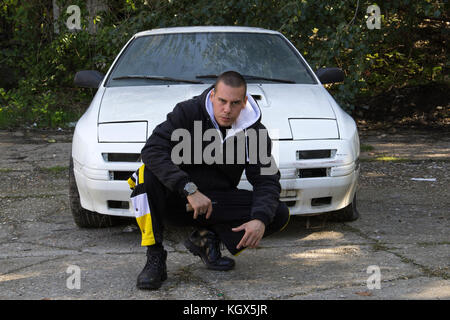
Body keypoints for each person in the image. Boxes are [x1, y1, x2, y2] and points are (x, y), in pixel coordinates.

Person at [128, 71, 289, 290]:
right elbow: (152, 150)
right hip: (178, 198)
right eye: (222, 101)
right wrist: (188, 188)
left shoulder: (254, 131)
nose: (227, 109)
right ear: (212, 95)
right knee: (145, 174)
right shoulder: (187, 112)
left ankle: (206, 240)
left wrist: (260, 219)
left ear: (244, 103)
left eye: (234, 103)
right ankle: (155, 256)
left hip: (214, 202)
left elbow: (267, 180)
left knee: (276, 213)